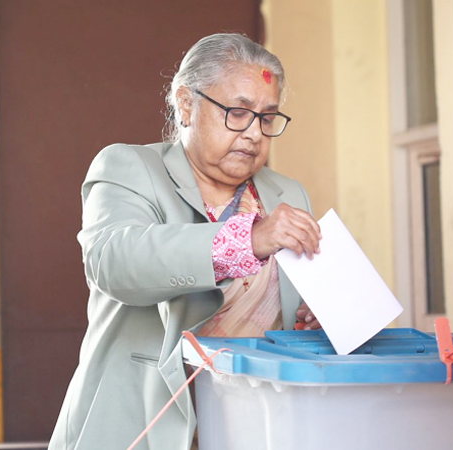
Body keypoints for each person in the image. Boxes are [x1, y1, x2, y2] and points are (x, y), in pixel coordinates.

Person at [49, 33, 322, 450]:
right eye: (238, 112)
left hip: (254, 426)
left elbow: (294, 310)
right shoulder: (130, 168)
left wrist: (316, 317)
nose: (254, 134)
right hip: (143, 423)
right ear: (186, 105)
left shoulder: (287, 194)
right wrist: (247, 239)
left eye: (267, 119)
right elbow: (114, 262)